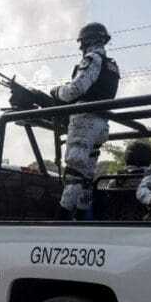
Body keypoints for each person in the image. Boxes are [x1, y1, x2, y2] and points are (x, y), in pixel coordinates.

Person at [50, 22, 120, 220]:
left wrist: (57, 91)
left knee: (73, 175)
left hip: (84, 121)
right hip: (101, 124)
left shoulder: (92, 59)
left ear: (87, 41)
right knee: (86, 178)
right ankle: (82, 221)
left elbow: (76, 89)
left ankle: (59, 222)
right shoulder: (112, 65)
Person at [106, 141, 151, 220]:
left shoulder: (115, 178)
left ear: (127, 158)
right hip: (149, 223)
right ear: (149, 158)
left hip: (119, 222)